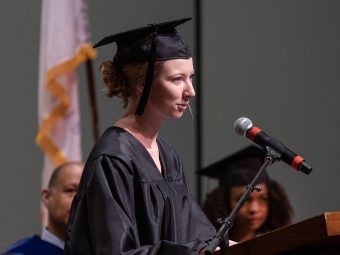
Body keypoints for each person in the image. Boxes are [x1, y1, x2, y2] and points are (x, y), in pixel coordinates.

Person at [64, 18, 230, 255]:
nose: (190, 91)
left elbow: (195, 233)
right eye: (177, 79)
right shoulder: (114, 158)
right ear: (142, 83)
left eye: (190, 77)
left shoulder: (167, 155)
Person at [198, 145, 294, 243]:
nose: (254, 209)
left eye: (263, 199)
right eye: (244, 200)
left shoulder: (275, 247)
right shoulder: (211, 250)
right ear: (225, 203)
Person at [1, 162, 84, 255]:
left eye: (87, 193)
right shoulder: (20, 253)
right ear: (47, 197)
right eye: (70, 190)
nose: (80, 199)